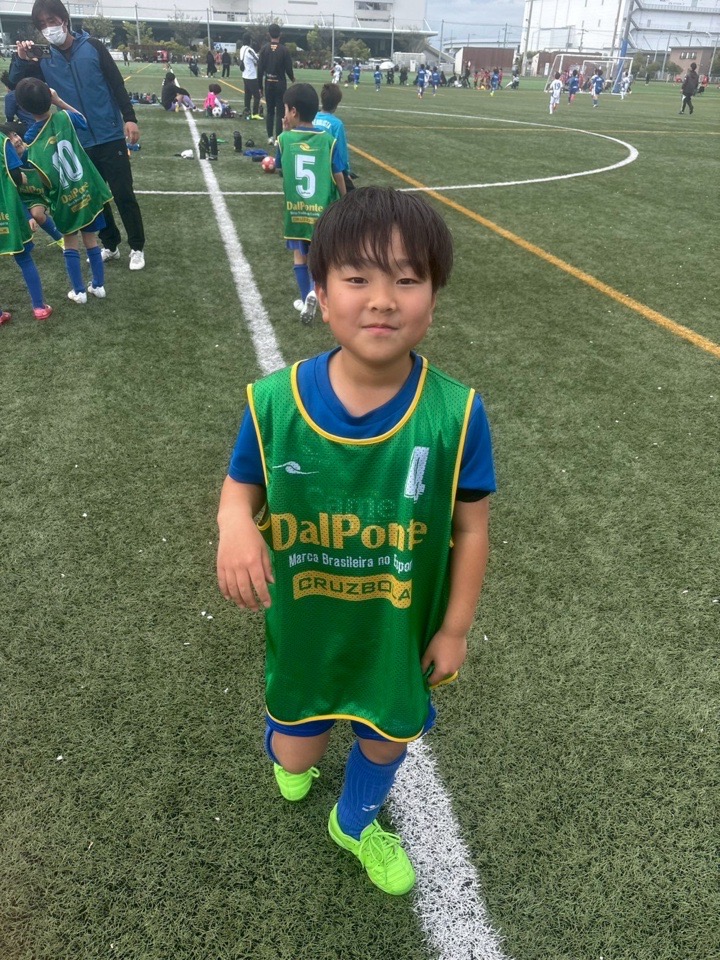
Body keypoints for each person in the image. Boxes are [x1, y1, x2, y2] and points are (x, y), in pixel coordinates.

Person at [216, 185, 495, 896]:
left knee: (388, 733)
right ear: (320, 291)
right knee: (295, 752)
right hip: (307, 626)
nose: (383, 300)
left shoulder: (457, 413)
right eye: (358, 278)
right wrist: (234, 525)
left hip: (397, 629)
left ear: (433, 298)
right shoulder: (274, 402)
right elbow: (241, 485)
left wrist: (455, 629)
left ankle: (355, 819)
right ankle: (293, 751)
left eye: (407, 279)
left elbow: (471, 527)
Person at [11, 0, 146, 270]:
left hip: (109, 134)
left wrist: (129, 118)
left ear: (64, 19)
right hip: (77, 139)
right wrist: (21, 60)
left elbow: (116, 84)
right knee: (94, 197)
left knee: (123, 193)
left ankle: (137, 247)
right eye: (42, 24)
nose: (48, 28)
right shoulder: (44, 58)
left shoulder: (93, 47)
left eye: (51, 21)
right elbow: (18, 85)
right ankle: (110, 244)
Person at [16, 77, 111, 304]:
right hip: (86, 189)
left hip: (63, 197)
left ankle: (79, 291)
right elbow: (83, 120)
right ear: (49, 97)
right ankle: (98, 286)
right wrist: (60, 102)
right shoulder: (65, 117)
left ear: (24, 107)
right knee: (91, 240)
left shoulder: (30, 139)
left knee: (70, 243)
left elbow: (32, 167)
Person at [274, 82, 346, 320]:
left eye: (285, 109)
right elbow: (338, 173)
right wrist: (344, 198)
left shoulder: (284, 139)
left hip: (296, 211)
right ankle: (318, 294)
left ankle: (307, 298)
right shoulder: (328, 140)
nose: (285, 114)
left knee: (299, 256)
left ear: (293, 111)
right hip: (322, 210)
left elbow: (279, 167)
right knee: (320, 255)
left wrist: (283, 131)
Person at [0, 124, 52, 321]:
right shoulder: (3, 141)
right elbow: (15, 175)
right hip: (8, 209)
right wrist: (20, 177)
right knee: (24, 258)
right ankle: (39, 307)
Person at [257, 23, 295, 146]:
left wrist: (260, 86)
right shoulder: (284, 50)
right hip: (280, 84)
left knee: (270, 111)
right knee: (280, 112)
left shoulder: (264, 49)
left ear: (268, 34)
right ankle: (278, 139)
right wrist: (292, 78)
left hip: (268, 83)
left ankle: (270, 137)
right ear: (280, 34)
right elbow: (288, 68)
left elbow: (260, 69)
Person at [314, 82, 353, 192]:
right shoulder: (337, 124)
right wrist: (347, 172)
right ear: (337, 103)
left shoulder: (311, 117)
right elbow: (341, 152)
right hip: (328, 169)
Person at [238, 34, 261, 119]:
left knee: (247, 95)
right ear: (249, 40)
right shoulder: (249, 50)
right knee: (257, 96)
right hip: (251, 76)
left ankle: (247, 111)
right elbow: (257, 59)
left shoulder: (242, 49)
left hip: (244, 75)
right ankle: (255, 113)